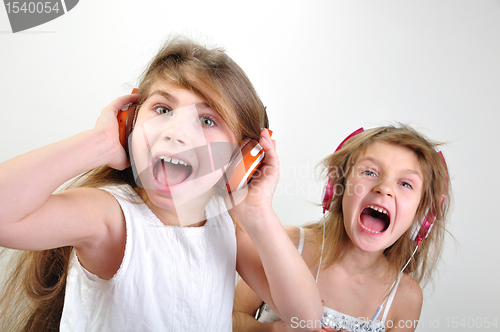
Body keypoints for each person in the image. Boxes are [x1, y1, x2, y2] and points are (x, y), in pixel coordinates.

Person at [0, 37, 322, 332]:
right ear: (129, 126)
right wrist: (100, 143)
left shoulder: (227, 228)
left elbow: (304, 320)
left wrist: (259, 213)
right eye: (163, 109)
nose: (175, 131)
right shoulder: (112, 219)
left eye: (207, 120)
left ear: (240, 160)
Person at [233, 125, 450, 332]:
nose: (384, 188)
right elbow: (228, 318)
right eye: (370, 172)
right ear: (338, 187)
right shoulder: (287, 245)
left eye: (405, 184)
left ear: (422, 216)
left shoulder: (406, 298)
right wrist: (276, 329)